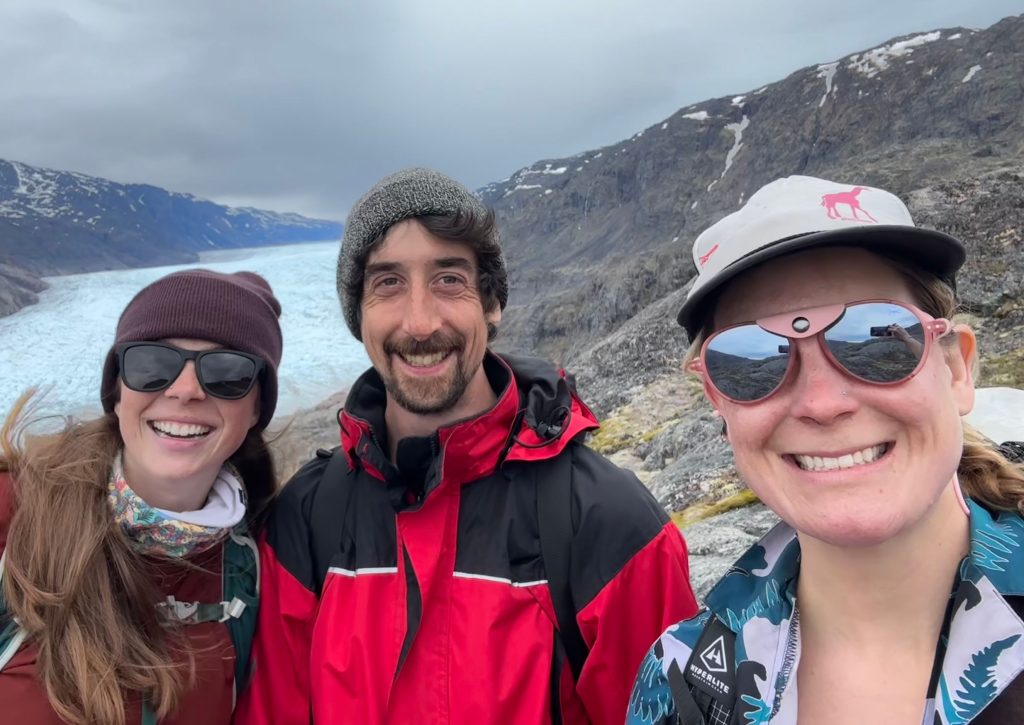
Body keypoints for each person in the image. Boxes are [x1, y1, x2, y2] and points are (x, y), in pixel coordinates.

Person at [235, 167, 699, 724]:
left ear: (492, 303)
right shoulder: (307, 520)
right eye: (387, 283)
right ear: (358, 316)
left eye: (449, 279)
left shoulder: (608, 524)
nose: (421, 321)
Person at [627, 175, 1024, 725]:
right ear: (719, 404)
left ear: (955, 369)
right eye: (754, 358)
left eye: (871, 338)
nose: (821, 402)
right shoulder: (681, 678)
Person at [0, 269, 283, 725]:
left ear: (256, 409)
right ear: (117, 391)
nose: (185, 390)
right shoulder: (14, 513)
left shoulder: (256, 571)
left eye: (227, 372)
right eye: (151, 364)